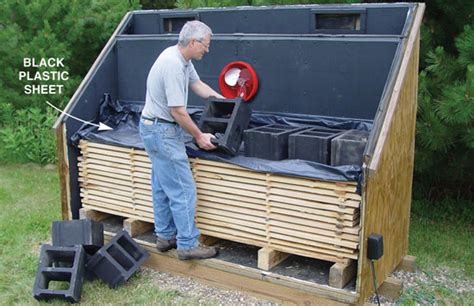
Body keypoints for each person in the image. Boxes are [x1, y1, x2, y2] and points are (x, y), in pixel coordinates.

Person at [139, 21, 224, 260]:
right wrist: (199, 135)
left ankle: (165, 236)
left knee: (161, 184)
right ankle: (187, 244)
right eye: (205, 45)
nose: (207, 50)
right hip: (162, 130)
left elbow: (197, 84)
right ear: (194, 42)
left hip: (152, 127)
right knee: (183, 189)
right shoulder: (173, 65)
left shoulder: (180, 59)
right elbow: (177, 111)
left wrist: (223, 100)